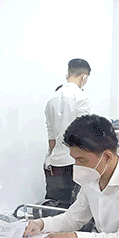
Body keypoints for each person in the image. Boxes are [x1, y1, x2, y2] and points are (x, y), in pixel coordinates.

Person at [44, 58, 92, 208]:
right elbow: (83, 133)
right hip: (74, 163)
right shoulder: (82, 98)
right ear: (84, 77)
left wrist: (52, 156)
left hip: (55, 163)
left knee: (55, 207)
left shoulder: (52, 99)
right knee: (76, 209)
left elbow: (51, 138)